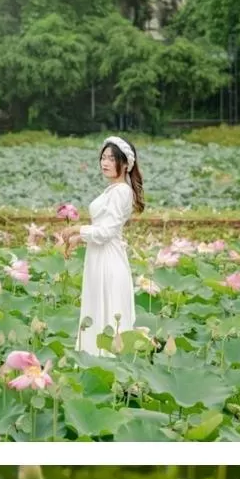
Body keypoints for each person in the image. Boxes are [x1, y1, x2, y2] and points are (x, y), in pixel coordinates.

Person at [62, 137, 144, 355]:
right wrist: (78, 238)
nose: (105, 162)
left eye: (112, 158)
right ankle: (94, 360)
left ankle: (110, 366)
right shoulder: (112, 190)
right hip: (99, 257)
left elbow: (107, 232)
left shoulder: (121, 191)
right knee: (97, 310)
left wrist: (76, 229)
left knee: (109, 311)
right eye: (103, 157)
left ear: (125, 164)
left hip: (109, 260)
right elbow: (102, 228)